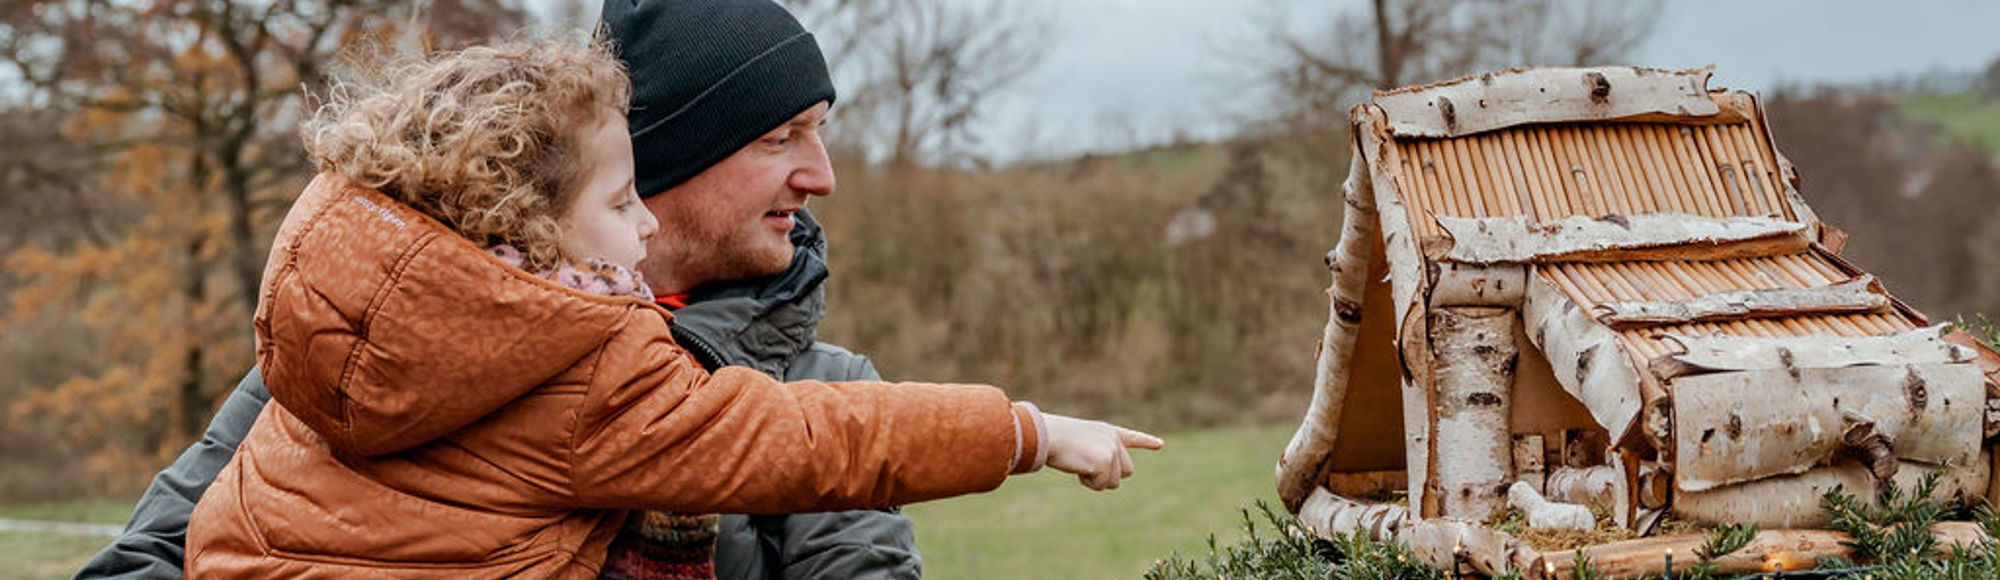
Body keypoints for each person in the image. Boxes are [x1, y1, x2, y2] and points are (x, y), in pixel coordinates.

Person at [71, 1, 1099, 579]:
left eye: (820, 134)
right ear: (658, 163)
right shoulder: (354, 367)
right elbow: (139, 568)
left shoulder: (828, 387)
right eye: (777, 137)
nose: (820, 176)